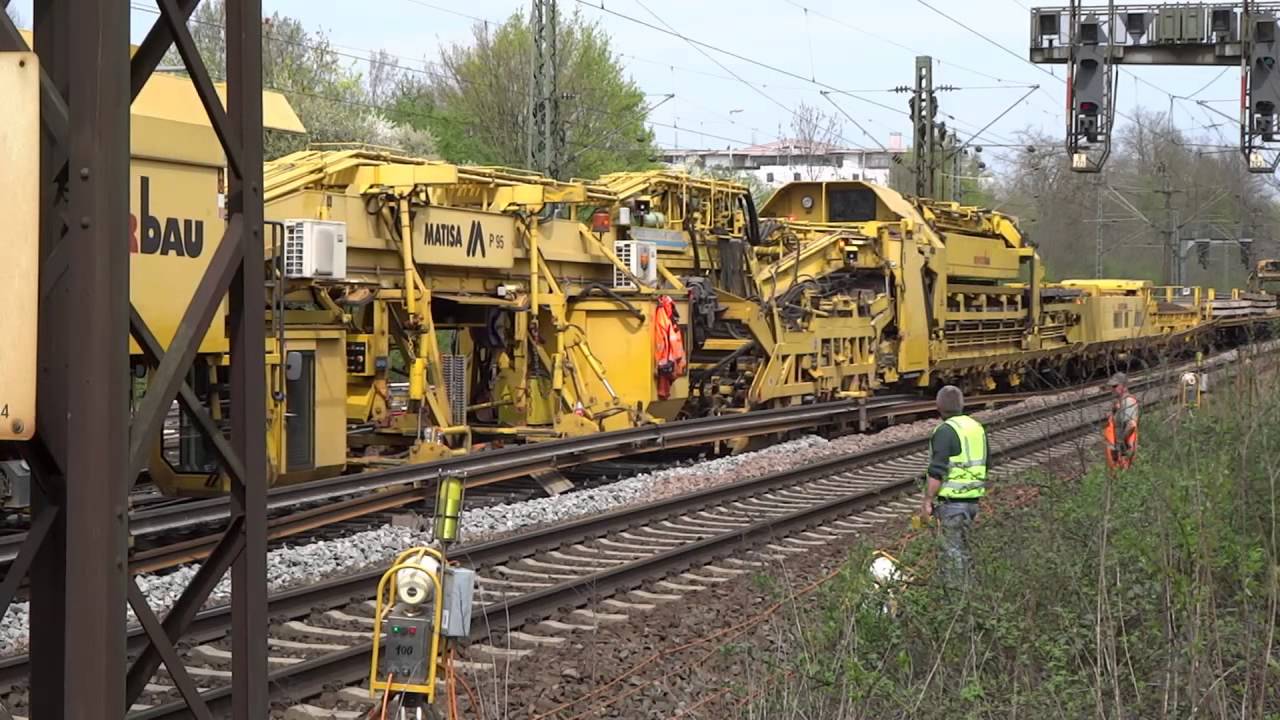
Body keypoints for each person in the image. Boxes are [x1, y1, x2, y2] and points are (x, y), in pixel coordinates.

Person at [921, 385, 987, 591]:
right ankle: (974, 593)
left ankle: (956, 599)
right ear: (962, 404)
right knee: (967, 551)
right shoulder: (977, 428)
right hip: (973, 501)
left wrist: (927, 501)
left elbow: (937, 470)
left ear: (938, 406)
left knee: (952, 553)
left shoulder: (945, 431)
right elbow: (986, 463)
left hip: (952, 504)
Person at [1104, 372, 1139, 470]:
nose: (1113, 389)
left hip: (1123, 453)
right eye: (1112, 387)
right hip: (1119, 453)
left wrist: (1120, 446)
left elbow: (1131, 425)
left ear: (1124, 386)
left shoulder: (1128, 402)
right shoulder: (1121, 402)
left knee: (1124, 477)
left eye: (1115, 386)